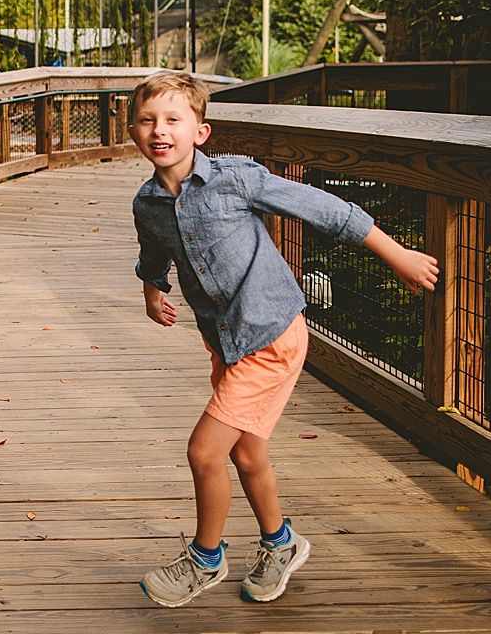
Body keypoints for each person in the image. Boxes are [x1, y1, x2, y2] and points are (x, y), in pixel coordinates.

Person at [128, 71, 438, 607]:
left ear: (200, 131)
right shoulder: (148, 203)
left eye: (174, 119)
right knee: (246, 454)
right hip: (225, 340)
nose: (160, 130)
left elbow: (326, 210)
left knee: (205, 452)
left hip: (271, 334)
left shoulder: (237, 179)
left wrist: (398, 255)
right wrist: (153, 290)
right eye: (147, 120)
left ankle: (206, 558)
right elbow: (156, 252)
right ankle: (281, 543)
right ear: (133, 131)